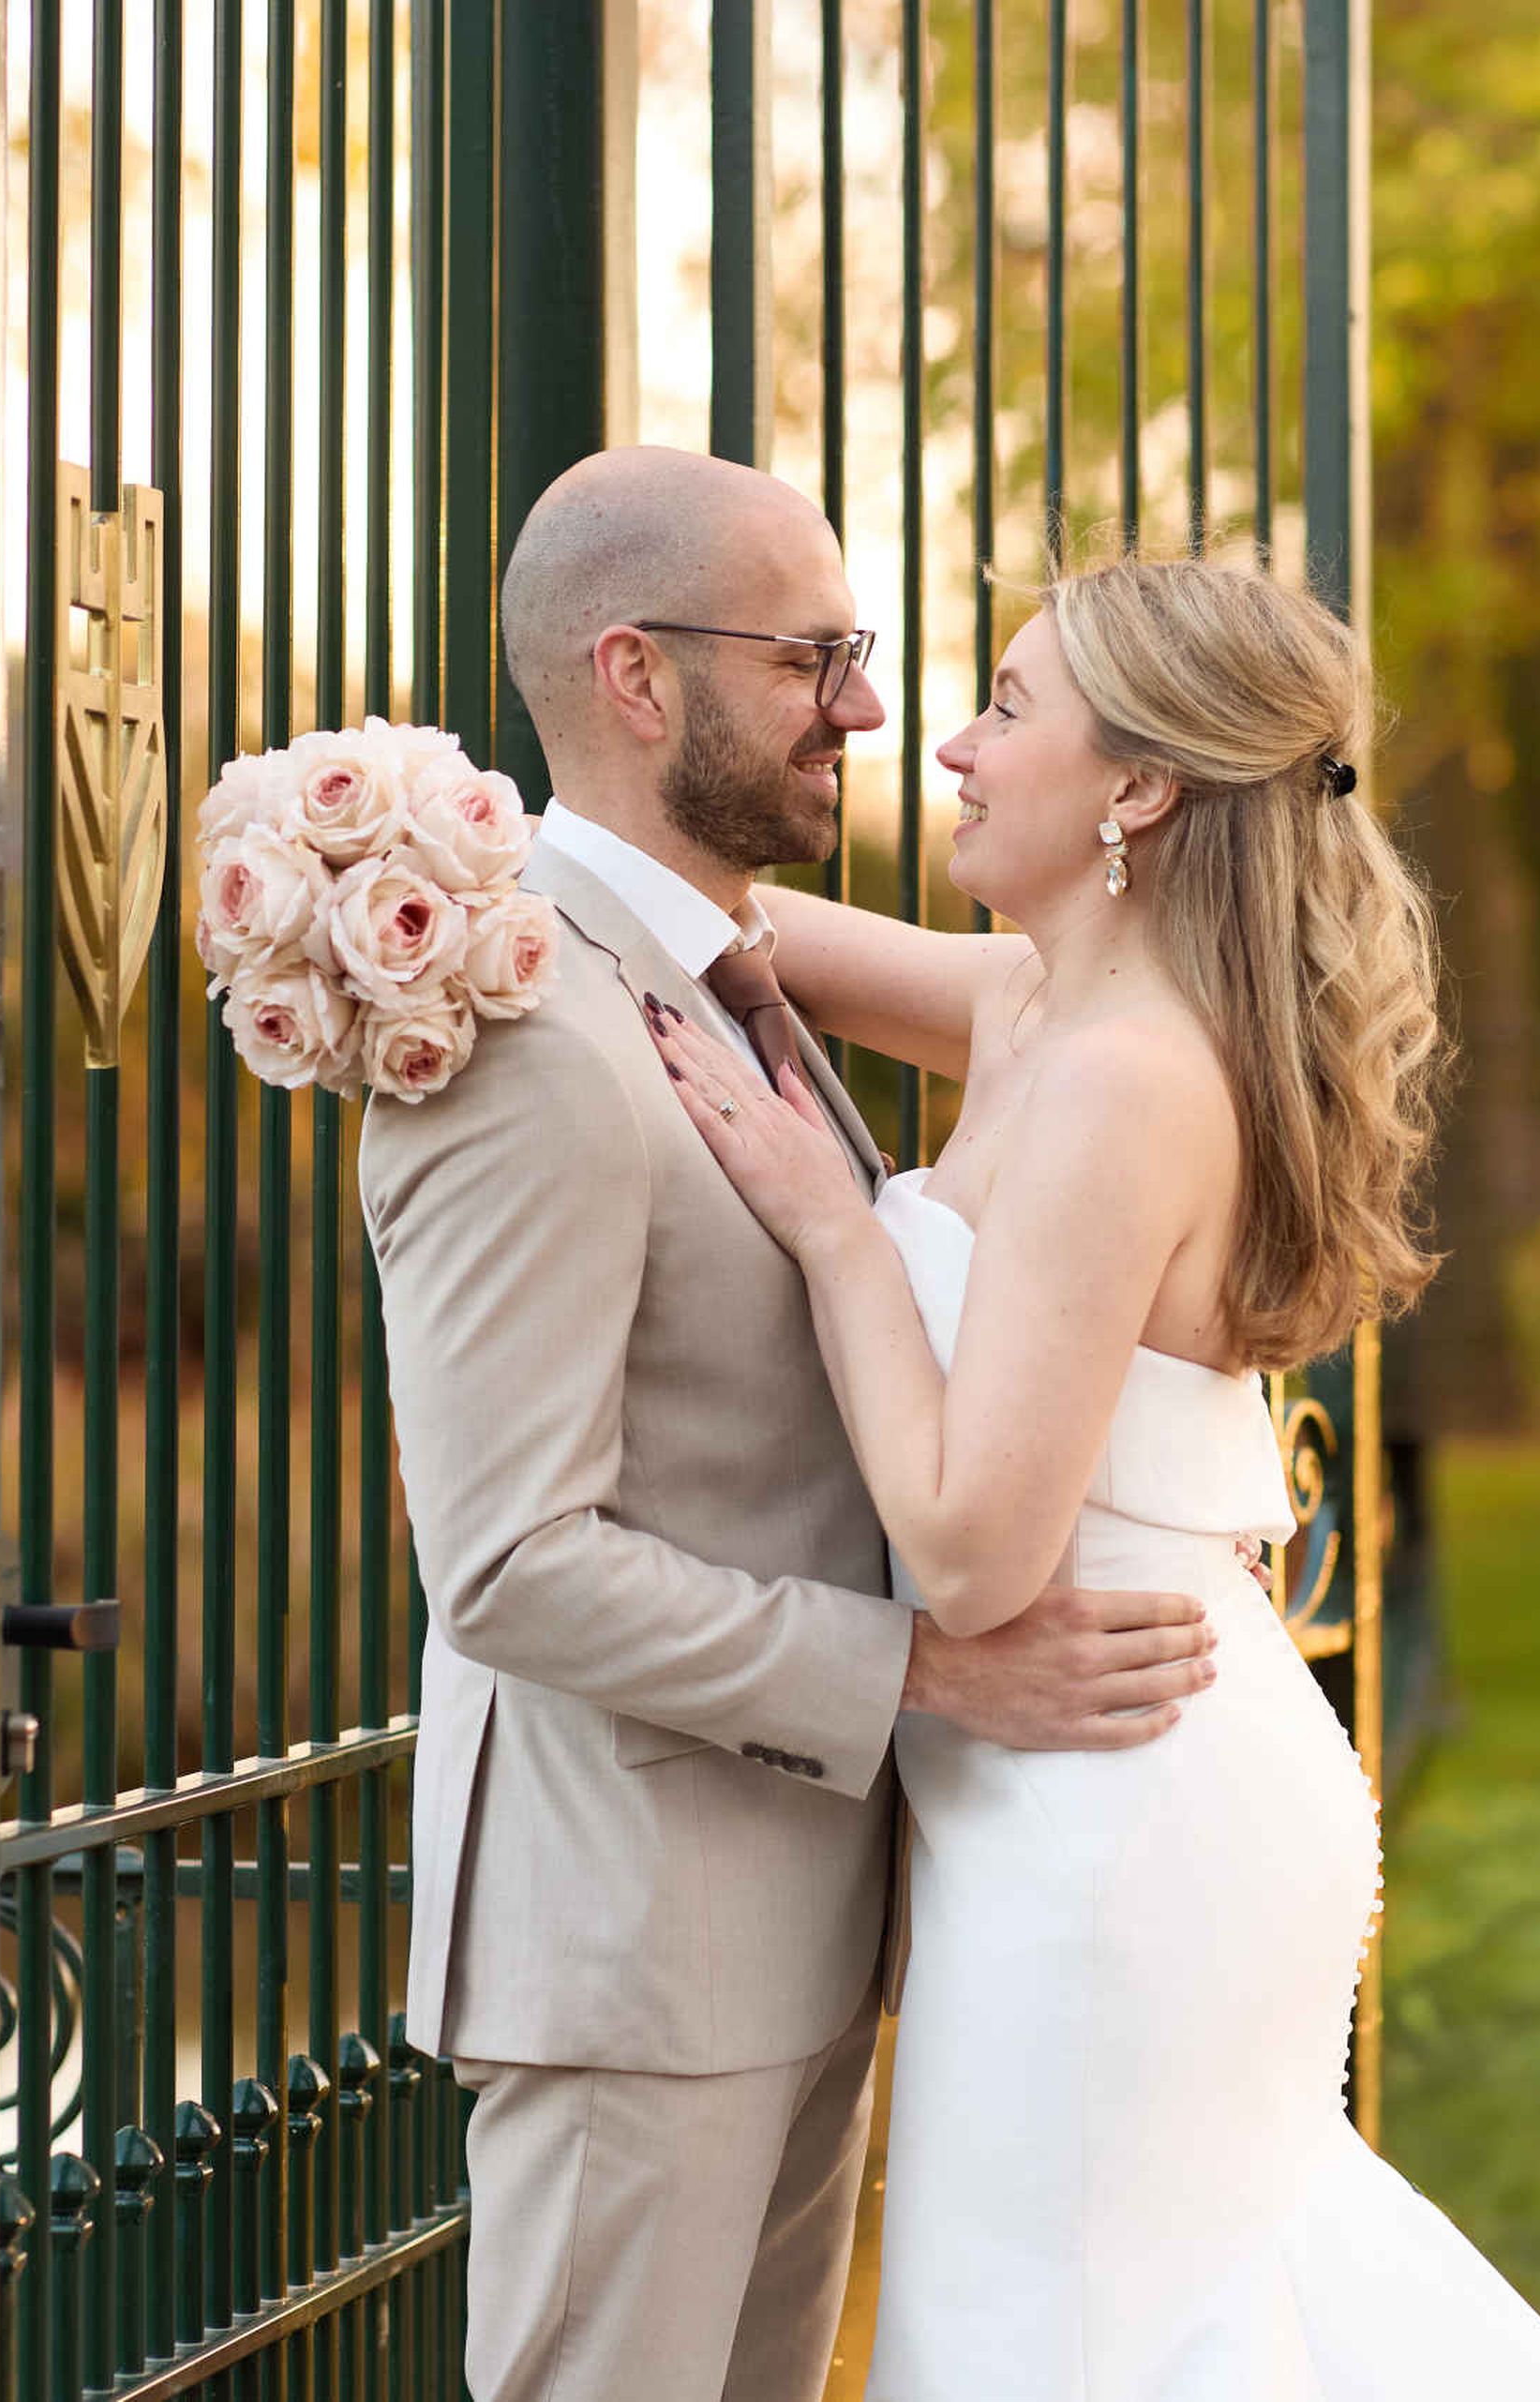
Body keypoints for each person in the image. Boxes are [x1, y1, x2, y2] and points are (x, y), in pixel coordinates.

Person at [649, 553, 1540, 2396]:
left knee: (1059, 2344)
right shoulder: (1036, 1014)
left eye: (1009, 709)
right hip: (1097, 1791)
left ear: (1141, 788)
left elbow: (972, 1557)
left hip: (1113, 1819)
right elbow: (704, 936)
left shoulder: (1124, 1088)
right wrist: (426, 858)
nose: (950, 744)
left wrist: (838, 1231)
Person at [358, 445, 1224, 2402]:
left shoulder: (732, 979)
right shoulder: (529, 1042)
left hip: (808, 1924)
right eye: (815, 655)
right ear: (639, 678)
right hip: (635, 1951)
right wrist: (930, 1672)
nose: (867, 704)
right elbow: (510, 1566)